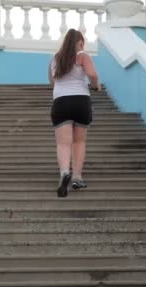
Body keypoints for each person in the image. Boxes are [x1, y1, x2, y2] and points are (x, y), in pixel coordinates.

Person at [48, 29, 101, 198]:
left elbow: (53, 83)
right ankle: (77, 177)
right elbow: (92, 74)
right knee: (79, 142)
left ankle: (64, 173)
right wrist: (95, 85)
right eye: (82, 43)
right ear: (78, 42)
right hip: (80, 101)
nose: (82, 46)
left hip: (61, 102)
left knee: (63, 143)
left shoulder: (55, 59)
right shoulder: (82, 55)